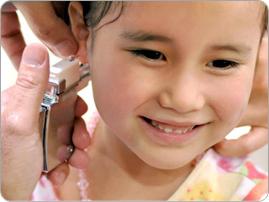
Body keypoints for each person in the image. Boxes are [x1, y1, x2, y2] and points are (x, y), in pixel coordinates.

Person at [1, 1, 268, 200]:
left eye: (223, 63)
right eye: (151, 54)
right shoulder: (20, 161)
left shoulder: (249, 193)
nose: (183, 100)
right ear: (82, 30)